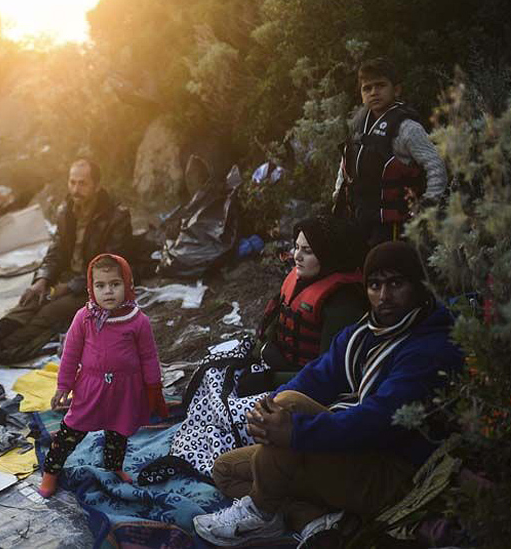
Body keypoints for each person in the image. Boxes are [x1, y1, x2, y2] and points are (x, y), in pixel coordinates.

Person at [193, 241, 463, 548]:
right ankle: (315, 521)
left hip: (394, 473)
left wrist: (296, 430)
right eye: (375, 285)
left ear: (419, 286)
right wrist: (266, 409)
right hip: (351, 453)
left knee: (290, 412)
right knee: (226, 470)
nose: (384, 296)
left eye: (396, 284)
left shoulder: (429, 347)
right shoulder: (363, 333)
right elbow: (316, 377)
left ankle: (261, 511)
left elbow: (378, 422)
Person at [139, 216, 368, 485]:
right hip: (277, 363)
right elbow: (274, 326)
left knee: (238, 414)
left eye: (307, 251)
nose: (297, 256)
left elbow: (330, 373)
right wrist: (260, 353)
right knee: (212, 373)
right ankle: (188, 446)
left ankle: (206, 460)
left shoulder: (342, 303)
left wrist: (269, 379)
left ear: (328, 256)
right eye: (296, 247)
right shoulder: (301, 279)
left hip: (305, 388)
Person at [0, 158, 133, 364]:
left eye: (82, 183)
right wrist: (42, 279)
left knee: (49, 311)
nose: (76, 189)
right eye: (72, 182)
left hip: (98, 286)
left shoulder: (117, 217)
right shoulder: (66, 211)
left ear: (97, 186)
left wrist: (70, 287)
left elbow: (111, 267)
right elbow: (55, 252)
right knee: (31, 300)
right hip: (67, 278)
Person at [37, 254, 168, 498]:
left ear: (128, 284)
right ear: (91, 288)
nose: (108, 291)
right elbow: (70, 354)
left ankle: (113, 467)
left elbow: (149, 357)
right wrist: (64, 386)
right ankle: (50, 472)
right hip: (91, 387)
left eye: (115, 284)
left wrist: (154, 388)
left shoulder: (138, 321)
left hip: (125, 389)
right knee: (70, 432)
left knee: (118, 432)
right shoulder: (84, 318)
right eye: (100, 285)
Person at [333, 57, 447, 245]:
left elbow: (436, 166)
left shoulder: (407, 128)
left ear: (396, 90)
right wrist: (338, 193)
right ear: (361, 94)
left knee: (386, 263)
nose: (373, 92)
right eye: (367, 88)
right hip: (360, 217)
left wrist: (427, 206)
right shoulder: (357, 125)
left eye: (380, 85)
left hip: (394, 223)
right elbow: (346, 163)